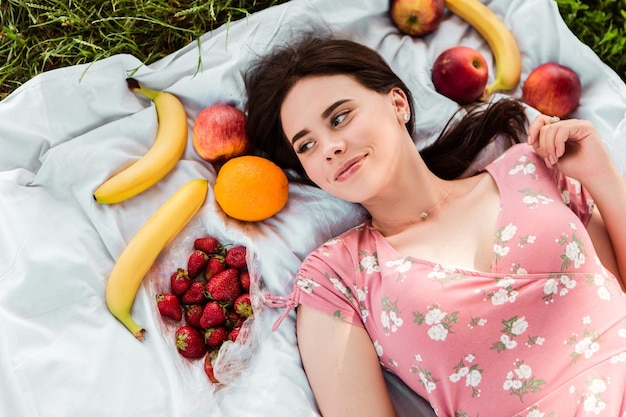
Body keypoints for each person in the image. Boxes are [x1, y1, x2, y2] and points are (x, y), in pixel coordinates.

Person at [244, 35, 626, 417]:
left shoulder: (530, 166)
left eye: (340, 117)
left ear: (397, 104)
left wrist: (602, 176)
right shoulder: (339, 278)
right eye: (306, 146)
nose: (330, 147)